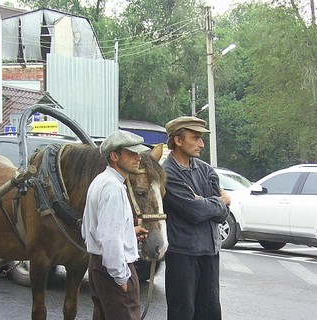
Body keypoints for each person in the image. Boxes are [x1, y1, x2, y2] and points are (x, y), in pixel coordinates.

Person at [161, 116, 231, 320]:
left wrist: (206, 202)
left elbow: (222, 216)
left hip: (209, 252)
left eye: (201, 138)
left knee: (210, 312)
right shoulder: (168, 173)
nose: (201, 144)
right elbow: (194, 211)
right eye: (195, 138)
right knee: (183, 312)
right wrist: (220, 201)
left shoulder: (206, 169)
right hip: (182, 254)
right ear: (178, 140)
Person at [81, 130, 151, 320]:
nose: (138, 158)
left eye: (138, 153)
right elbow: (109, 238)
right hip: (113, 269)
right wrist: (121, 277)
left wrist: (129, 232)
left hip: (98, 265)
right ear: (114, 156)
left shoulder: (101, 181)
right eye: (131, 153)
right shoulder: (113, 188)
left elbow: (89, 229)